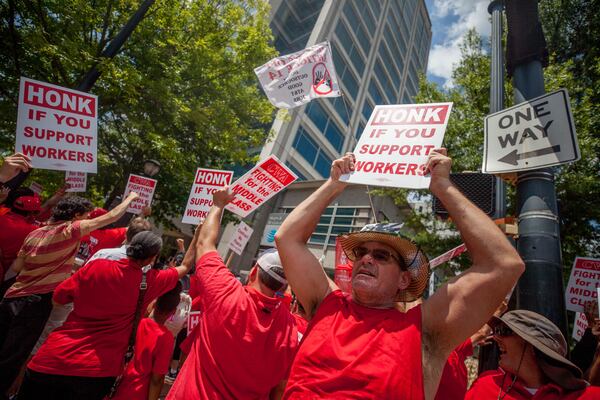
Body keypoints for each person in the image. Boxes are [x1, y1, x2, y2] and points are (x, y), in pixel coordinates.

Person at [275, 150, 525, 399]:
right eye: (361, 252)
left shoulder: (424, 330)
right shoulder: (327, 304)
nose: (366, 258)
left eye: (381, 256)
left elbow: (503, 264)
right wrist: (333, 185)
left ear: (403, 279)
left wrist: (443, 187)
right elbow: (287, 239)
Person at [17, 230, 194, 400]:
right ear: (152, 258)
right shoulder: (149, 281)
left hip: (54, 357)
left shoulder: (96, 266)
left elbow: (58, 299)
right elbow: (185, 266)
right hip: (98, 370)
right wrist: (200, 232)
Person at [0, 192, 139, 396]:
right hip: (34, 304)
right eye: (86, 216)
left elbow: (17, 266)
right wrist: (130, 199)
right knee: (12, 357)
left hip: (10, 297)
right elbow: (110, 218)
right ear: (76, 216)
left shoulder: (35, 233)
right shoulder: (70, 230)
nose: (87, 221)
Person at [167, 188, 299, 400]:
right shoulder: (290, 329)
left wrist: (218, 205)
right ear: (284, 286)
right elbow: (280, 388)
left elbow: (204, 243)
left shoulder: (225, 292)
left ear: (254, 271)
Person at [465, 309, 600, 399]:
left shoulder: (587, 396)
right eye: (496, 331)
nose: (495, 337)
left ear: (533, 346)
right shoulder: (484, 385)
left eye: (503, 331)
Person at [111, 282, 183, 400]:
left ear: (155, 303)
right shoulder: (166, 338)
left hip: (119, 384)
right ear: (173, 311)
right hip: (138, 393)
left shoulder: (140, 322)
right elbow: (156, 380)